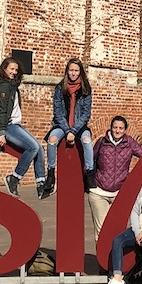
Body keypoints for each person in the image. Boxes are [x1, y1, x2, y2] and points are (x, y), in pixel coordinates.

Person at [0, 56, 47, 198]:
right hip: (8, 126)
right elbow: (1, 112)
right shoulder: (4, 87)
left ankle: (41, 183)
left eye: (16, 70)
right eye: (11, 69)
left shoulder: (11, 85)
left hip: (14, 125)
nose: (14, 72)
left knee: (39, 147)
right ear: (4, 69)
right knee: (33, 147)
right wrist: (1, 133)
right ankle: (14, 178)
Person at [86, 116, 142, 241]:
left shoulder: (129, 143)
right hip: (99, 192)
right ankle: (102, 259)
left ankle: (115, 259)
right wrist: (89, 183)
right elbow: (90, 161)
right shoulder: (102, 142)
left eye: (120, 128)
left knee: (117, 231)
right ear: (111, 128)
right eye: (115, 127)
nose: (117, 131)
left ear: (125, 130)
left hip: (120, 192)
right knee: (102, 232)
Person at [42, 58, 94, 195]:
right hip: (62, 124)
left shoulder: (86, 89)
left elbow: (86, 114)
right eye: (71, 70)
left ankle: (89, 174)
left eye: (76, 70)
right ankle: (51, 174)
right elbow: (57, 112)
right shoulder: (60, 88)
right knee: (52, 140)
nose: (73, 73)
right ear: (67, 71)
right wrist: (67, 130)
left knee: (87, 140)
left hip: (79, 125)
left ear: (80, 72)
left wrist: (75, 130)